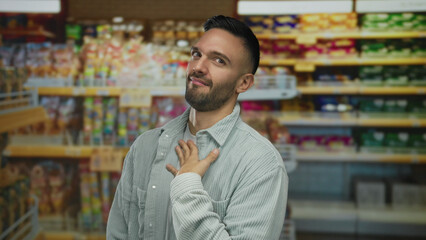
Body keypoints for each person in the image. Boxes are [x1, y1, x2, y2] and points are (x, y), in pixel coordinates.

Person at [106, 15, 288, 240]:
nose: (199, 67)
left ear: (244, 83)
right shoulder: (146, 146)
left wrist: (188, 187)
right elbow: (118, 233)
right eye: (196, 54)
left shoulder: (261, 163)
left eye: (219, 60)